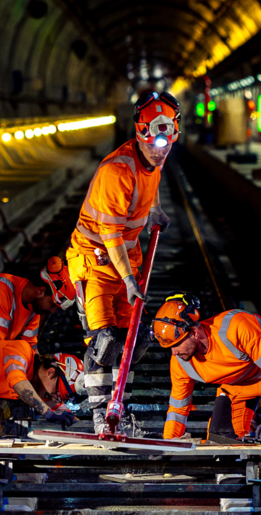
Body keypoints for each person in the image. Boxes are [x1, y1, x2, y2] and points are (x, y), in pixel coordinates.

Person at [66, 91, 179, 434]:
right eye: (156, 144)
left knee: (134, 339)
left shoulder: (154, 157)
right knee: (105, 340)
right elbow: (112, 236)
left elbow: (153, 178)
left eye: (167, 143)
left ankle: (119, 408)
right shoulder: (117, 171)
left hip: (125, 256)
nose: (161, 151)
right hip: (96, 259)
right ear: (141, 133)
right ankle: (101, 416)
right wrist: (131, 281)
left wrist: (155, 209)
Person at [153, 295, 261, 444]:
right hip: (237, 386)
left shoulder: (235, 327)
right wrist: (170, 443)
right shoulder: (180, 362)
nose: (174, 352)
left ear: (193, 332)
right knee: (220, 439)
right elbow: (177, 409)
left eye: (176, 345)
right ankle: (260, 418)